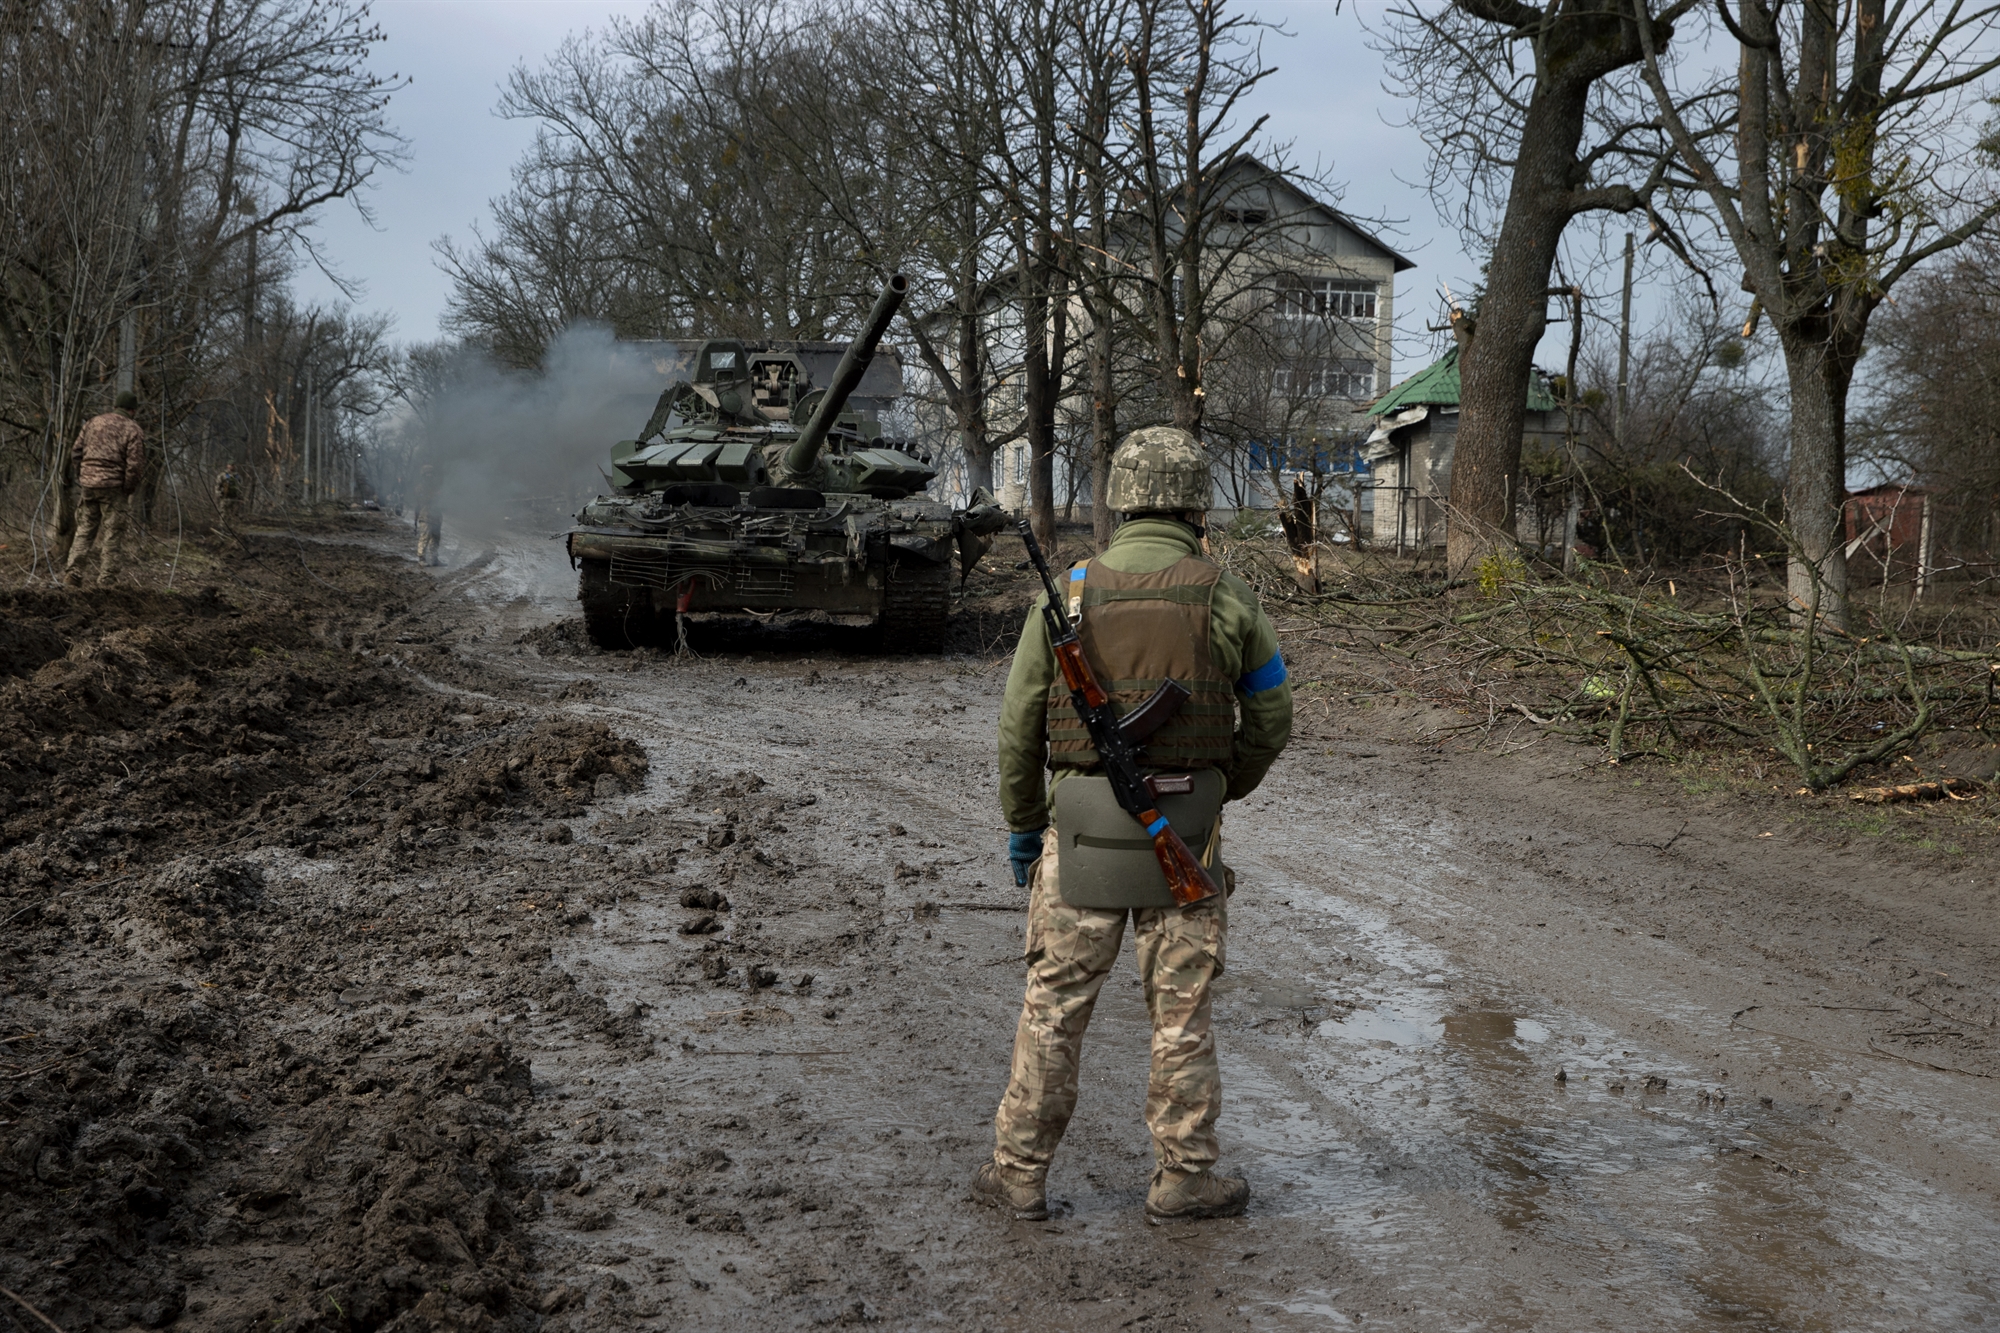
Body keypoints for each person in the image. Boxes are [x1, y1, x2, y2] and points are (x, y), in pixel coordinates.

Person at [971, 426, 1293, 1225]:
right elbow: (1273, 713)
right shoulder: (1227, 594)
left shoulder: (1070, 592)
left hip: (1078, 841)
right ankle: (1184, 1178)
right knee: (1180, 1016)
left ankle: (1016, 1172)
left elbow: (1018, 725)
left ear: (1118, 501)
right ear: (1193, 503)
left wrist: (1022, 823)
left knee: (1052, 1008)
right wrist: (1223, 789)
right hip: (1186, 837)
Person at [65, 390, 146, 588]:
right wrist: (127, 488)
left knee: (84, 530)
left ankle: (73, 574)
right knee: (113, 532)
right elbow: (135, 466)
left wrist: (83, 475)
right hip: (113, 487)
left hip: (89, 486)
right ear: (132, 410)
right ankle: (107, 581)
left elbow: (75, 452)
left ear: (115, 406)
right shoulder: (133, 429)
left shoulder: (93, 422)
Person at [414, 463, 442, 566]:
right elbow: (421, 501)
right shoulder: (420, 488)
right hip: (426, 515)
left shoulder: (436, 487)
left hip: (436, 516)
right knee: (425, 537)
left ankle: (434, 559)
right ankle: (421, 558)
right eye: (428, 474)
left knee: (436, 538)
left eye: (431, 473)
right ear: (424, 475)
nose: (430, 476)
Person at [214, 461, 244, 537]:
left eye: (233, 465)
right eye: (230, 465)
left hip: (234, 499)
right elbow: (217, 486)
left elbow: (240, 488)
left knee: (233, 515)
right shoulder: (222, 475)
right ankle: (222, 529)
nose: (231, 467)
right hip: (225, 498)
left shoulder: (238, 476)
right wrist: (219, 494)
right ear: (227, 465)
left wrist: (241, 498)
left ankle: (230, 530)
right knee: (223, 514)